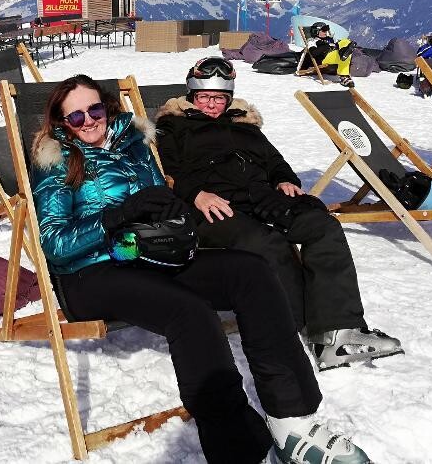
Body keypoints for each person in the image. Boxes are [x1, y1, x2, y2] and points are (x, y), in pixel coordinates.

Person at [32, 74, 373, 464]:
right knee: (189, 311)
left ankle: (291, 420)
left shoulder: (133, 141)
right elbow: (55, 245)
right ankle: (239, 449)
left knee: (252, 271)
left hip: (150, 255)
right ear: (63, 124)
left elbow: (158, 194)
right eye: (76, 117)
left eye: (95, 110)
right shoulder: (57, 159)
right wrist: (120, 215)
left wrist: (171, 209)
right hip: (91, 274)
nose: (89, 121)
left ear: (107, 108)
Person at [155, 57, 403, 372]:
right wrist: (195, 194)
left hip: (262, 196)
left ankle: (338, 330)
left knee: (321, 225)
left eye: (219, 98)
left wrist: (284, 179)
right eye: (204, 97)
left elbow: (274, 161)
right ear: (191, 95)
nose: (212, 105)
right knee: (266, 242)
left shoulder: (244, 124)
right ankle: (300, 330)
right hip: (214, 204)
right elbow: (166, 170)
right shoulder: (172, 126)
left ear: (229, 97)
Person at [308, 23, 356, 88]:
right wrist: (327, 45)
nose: (326, 32)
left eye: (326, 31)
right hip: (324, 58)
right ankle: (344, 76)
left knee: (345, 41)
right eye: (324, 31)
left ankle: (344, 52)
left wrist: (334, 44)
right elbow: (314, 53)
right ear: (316, 31)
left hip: (334, 54)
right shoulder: (312, 41)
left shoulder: (329, 39)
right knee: (344, 54)